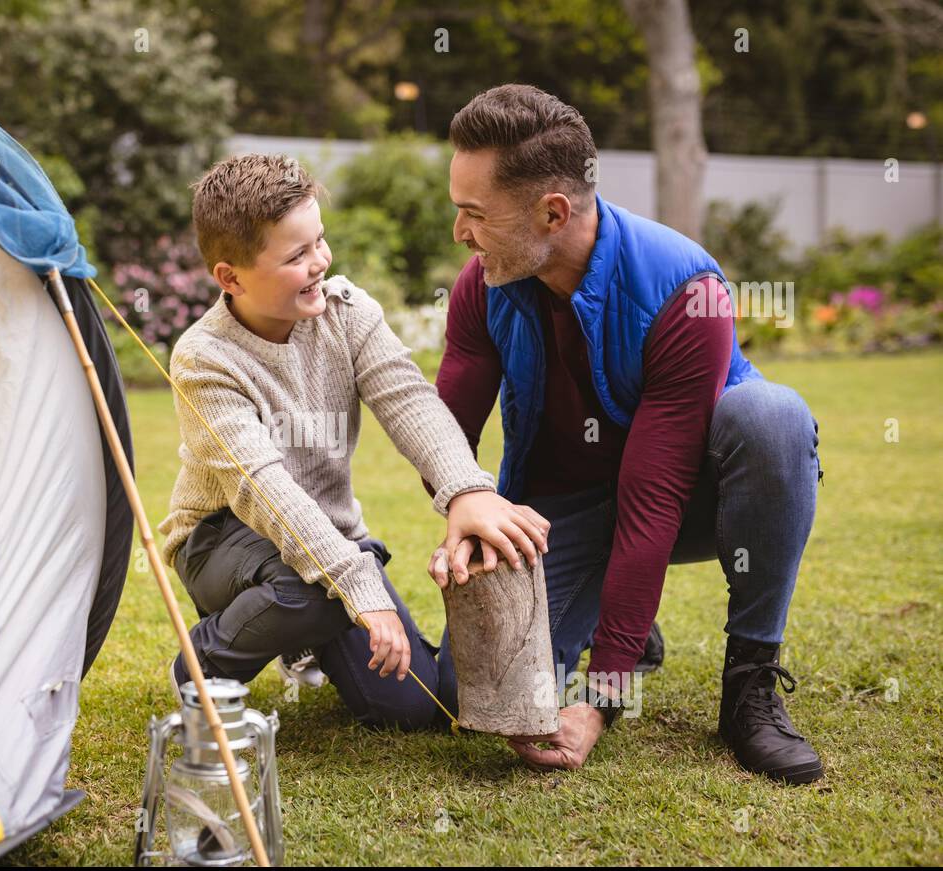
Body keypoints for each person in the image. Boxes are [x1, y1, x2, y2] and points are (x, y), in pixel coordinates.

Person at [429, 84, 824, 784]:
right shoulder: (483, 284)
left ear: (552, 212)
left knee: (772, 416)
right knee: (470, 694)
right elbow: (445, 431)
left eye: (473, 214)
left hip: (694, 497)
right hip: (566, 509)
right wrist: (465, 509)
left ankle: (750, 687)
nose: (459, 232)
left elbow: (653, 502)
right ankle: (636, 638)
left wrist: (601, 698)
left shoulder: (685, 289)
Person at [158, 153, 540, 729]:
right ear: (230, 277)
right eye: (295, 255)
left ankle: (302, 639)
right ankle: (202, 664)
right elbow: (265, 490)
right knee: (308, 588)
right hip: (222, 540)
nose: (319, 263)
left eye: (320, 242)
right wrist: (359, 583)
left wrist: (465, 490)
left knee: (411, 710)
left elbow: (409, 400)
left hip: (330, 538)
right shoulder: (202, 359)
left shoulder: (349, 312)